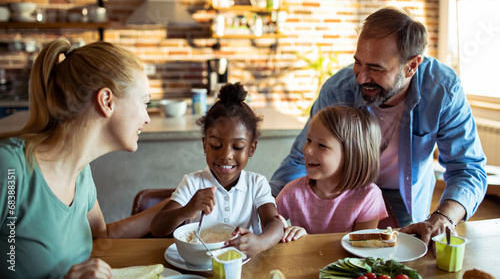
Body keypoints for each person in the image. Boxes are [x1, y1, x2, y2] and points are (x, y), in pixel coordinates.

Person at [270, 7, 487, 246]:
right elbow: (300, 158)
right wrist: (265, 206)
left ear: (411, 66)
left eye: (375, 68)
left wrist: (444, 217)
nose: (361, 77)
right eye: (358, 62)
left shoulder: (443, 90)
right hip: (344, 190)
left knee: (401, 257)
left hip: (403, 196)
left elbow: (467, 168)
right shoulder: (338, 90)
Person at [0, 38, 169, 279]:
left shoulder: (80, 173)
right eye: (144, 102)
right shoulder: (9, 168)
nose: (147, 117)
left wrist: (175, 204)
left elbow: (101, 237)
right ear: (107, 101)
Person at [151, 82, 283, 258]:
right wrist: (187, 210)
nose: (226, 155)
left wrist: (260, 243)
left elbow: (275, 224)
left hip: (243, 267)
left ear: (251, 149)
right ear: (205, 144)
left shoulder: (256, 184)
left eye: (237, 147)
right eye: (216, 145)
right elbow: (157, 227)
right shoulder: (192, 183)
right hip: (199, 267)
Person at [276, 105, 388, 242]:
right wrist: (285, 232)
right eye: (309, 140)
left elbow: (362, 248)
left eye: (322, 145)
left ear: (352, 154)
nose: (307, 150)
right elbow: (267, 227)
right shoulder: (292, 191)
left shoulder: (368, 196)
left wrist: (307, 240)